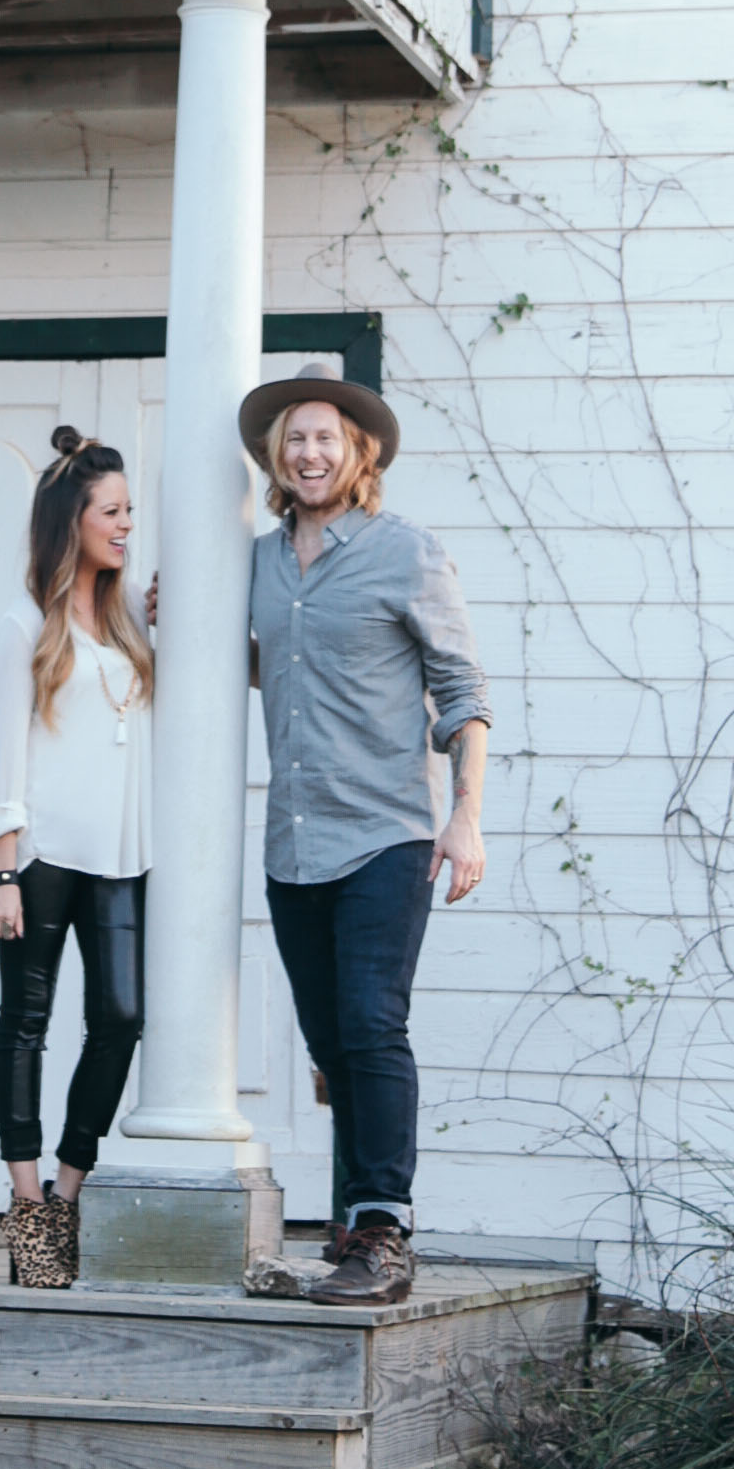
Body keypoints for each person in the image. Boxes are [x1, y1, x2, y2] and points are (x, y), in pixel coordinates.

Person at [241, 371, 489, 1306]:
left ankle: (385, 1231)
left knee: (373, 1026)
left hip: (388, 832)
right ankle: (348, 1231)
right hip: (292, 841)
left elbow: (464, 694)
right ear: (278, 457)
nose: (309, 453)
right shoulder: (258, 563)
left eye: (326, 439)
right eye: (294, 440)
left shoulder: (406, 554)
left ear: (359, 455)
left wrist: (465, 816)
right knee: (331, 1045)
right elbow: (263, 666)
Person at [0, 426, 152, 1287]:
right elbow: (4, 749)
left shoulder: (126, 622)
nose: (126, 525)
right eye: (112, 512)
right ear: (72, 521)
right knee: (28, 1022)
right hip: (44, 855)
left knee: (120, 1018)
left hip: (123, 855)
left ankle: (68, 1190)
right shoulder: (27, 623)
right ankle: (26, 1206)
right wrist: (1, 869)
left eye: (129, 511)